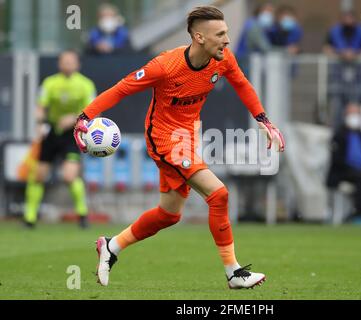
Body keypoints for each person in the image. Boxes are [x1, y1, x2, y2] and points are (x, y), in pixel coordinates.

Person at [73, 6, 285, 289]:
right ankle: (233, 272)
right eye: (220, 34)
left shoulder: (222, 59)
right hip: (163, 139)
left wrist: (263, 120)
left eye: (227, 33)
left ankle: (112, 246)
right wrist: (85, 116)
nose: (227, 40)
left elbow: (242, 85)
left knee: (169, 214)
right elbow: (123, 88)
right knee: (219, 194)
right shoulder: (165, 65)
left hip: (188, 138)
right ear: (199, 37)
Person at [24, 50, 96, 229]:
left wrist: (73, 118)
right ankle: (30, 218)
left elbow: (94, 111)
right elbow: (41, 107)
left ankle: (82, 214)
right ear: (59, 64)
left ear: (77, 64)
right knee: (39, 175)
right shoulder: (50, 83)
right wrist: (40, 123)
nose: (68, 64)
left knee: (70, 175)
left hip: (73, 134)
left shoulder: (86, 84)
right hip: (51, 131)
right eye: (65, 61)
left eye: (71, 61)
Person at [326, 103, 361, 221]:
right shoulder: (338, 135)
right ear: (345, 115)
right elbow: (337, 161)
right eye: (352, 114)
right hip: (343, 172)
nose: (355, 117)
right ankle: (359, 215)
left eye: (357, 114)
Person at [323, 10, 361, 129]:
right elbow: (326, 49)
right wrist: (341, 54)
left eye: (351, 19)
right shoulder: (334, 32)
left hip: (357, 78)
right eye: (346, 19)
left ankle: (355, 134)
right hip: (338, 78)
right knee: (336, 108)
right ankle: (337, 134)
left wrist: (355, 54)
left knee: (355, 108)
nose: (348, 22)